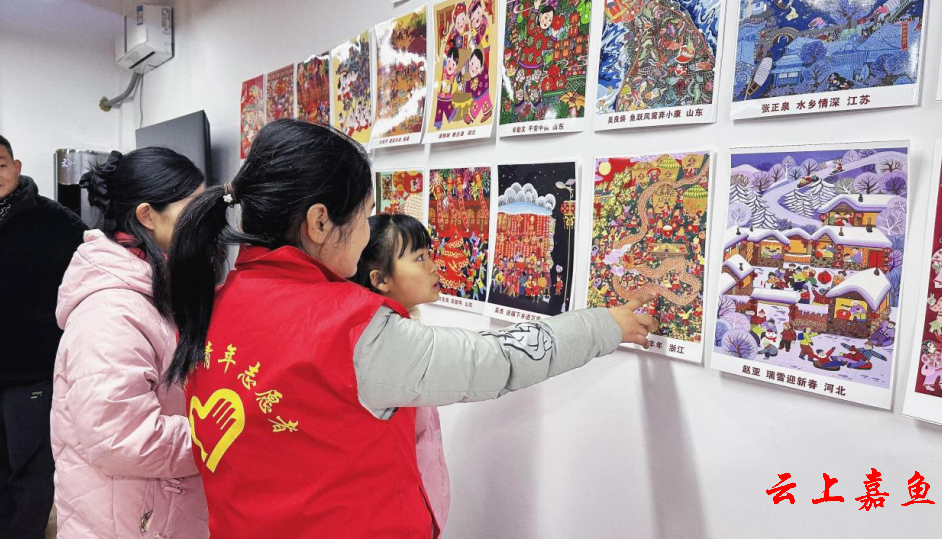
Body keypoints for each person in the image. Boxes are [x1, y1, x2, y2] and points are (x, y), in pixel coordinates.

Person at [163, 119, 656, 538]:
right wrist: (603, 324)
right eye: (364, 215)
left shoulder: (211, 305)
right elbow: (497, 361)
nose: (366, 232)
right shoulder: (348, 328)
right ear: (319, 223)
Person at [51, 148, 209, 538]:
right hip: (129, 523)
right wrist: (220, 436)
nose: (206, 221)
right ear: (147, 215)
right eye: (194, 208)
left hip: (153, 511)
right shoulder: (111, 312)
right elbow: (119, 438)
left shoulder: (156, 283)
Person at [0, 135, 86, 539]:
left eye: (0, 166)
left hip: (32, 374)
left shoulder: (55, 222)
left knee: (31, 470)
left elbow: (90, 274)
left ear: (16, 167)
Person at [350, 213, 451, 532]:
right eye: (419, 258)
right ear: (380, 279)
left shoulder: (407, 330)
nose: (433, 267)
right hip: (390, 512)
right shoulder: (378, 347)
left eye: (429, 254)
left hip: (417, 498)